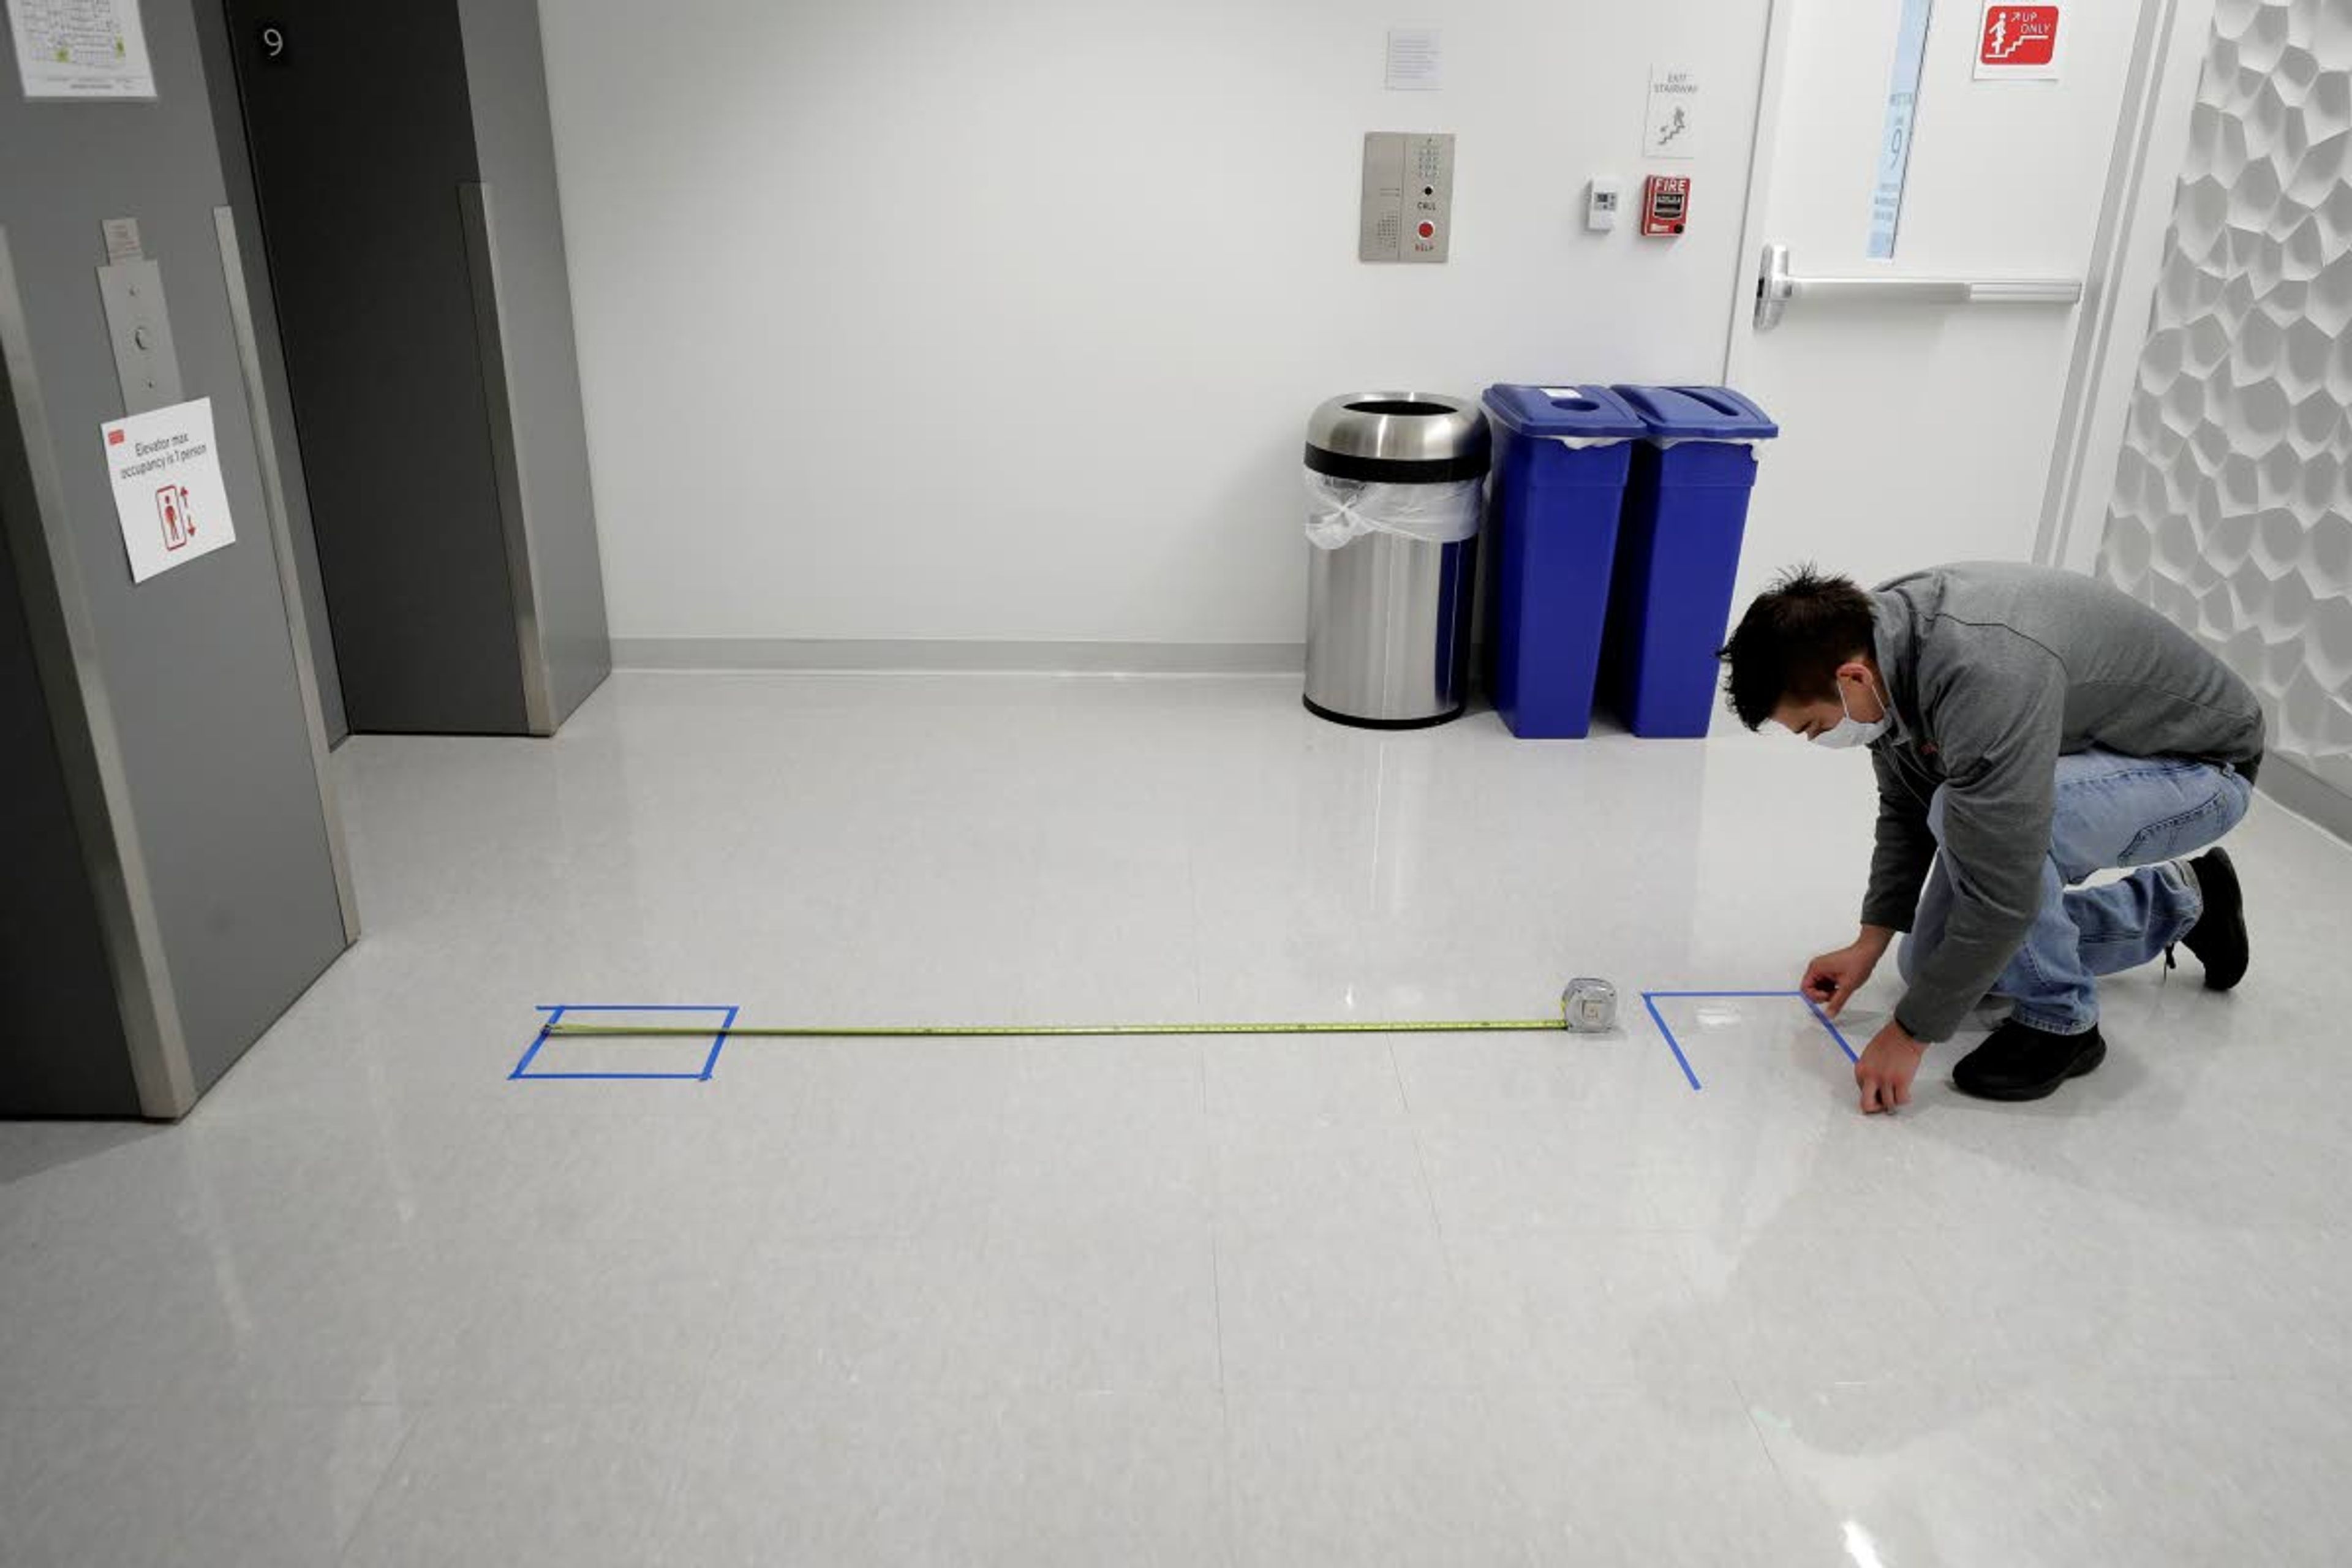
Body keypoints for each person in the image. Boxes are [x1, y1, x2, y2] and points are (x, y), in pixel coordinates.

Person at [1717, 563, 2266, 1112]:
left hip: (2201, 768)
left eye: (1815, 727)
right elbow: (1906, 806)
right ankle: (2186, 901)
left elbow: (2004, 887)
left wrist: (1909, 1035)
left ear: (1852, 679)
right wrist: (1872, 940)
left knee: (1974, 825)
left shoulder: (1983, 669)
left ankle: (2063, 1022)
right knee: (1929, 966)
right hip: (2097, 753)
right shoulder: (1876, 642)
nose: (1822, 740)